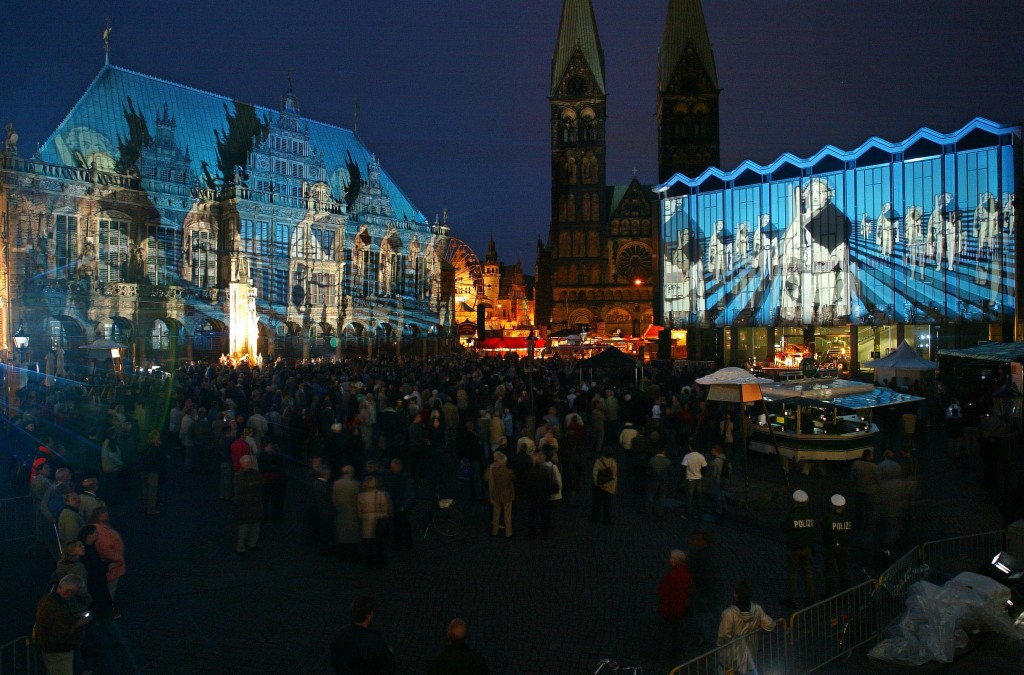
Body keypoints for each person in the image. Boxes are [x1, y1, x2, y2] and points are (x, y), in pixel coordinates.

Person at [35, 574, 91, 675]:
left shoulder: (49, 599)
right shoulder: (55, 608)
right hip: (58, 653)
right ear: (68, 592)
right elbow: (61, 634)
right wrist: (79, 623)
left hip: (52, 651)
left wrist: (76, 616)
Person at [717, 580, 777, 675]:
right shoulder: (757, 609)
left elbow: (723, 637)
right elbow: (771, 624)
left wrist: (720, 651)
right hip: (749, 661)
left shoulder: (729, 613)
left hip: (731, 662)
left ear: (736, 595)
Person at [330, 596, 397, 674]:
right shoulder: (374, 641)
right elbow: (389, 668)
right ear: (369, 616)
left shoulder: (340, 637)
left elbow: (335, 662)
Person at [651, 549, 692, 661]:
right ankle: (676, 653)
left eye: (671, 558)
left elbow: (664, 592)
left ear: (676, 560)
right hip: (680, 608)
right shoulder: (686, 573)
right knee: (677, 633)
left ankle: (654, 654)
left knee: (661, 632)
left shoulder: (672, 575)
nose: (670, 559)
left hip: (668, 609)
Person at [783, 490, 816, 608]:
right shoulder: (810, 516)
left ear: (795, 502)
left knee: (793, 574)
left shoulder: (792, 516)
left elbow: (785, 527)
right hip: (807, 548)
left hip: (794, 549)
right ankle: (811, 597)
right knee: (808, 573)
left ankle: (792, 599)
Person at [821, 494, 853, 596]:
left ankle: (830, 594)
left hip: (831, 547)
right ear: (843, 506)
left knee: (829, 572)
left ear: (833, 505)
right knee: (843, 570)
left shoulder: (828, 518)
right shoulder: (848, 517)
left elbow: (824, 531)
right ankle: (844, 592)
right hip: (844, 547)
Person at [233, 454, 265, 557]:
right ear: (243, 464)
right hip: (246, 504)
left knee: (255, 525)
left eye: (250, 463)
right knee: (244, 527)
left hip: (253, 503)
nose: (249, 465)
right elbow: (244, 488)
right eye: (247, 463)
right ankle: (241, 547)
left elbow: (260, 482)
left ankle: (252, 543)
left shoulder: (246, 474)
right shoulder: (239, 475)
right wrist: (254, 484)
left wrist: (251, 484)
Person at [357, 476, 392, 568]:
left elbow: (359, 513)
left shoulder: (361, 496)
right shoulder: (382, 494)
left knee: (368, 545)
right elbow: (385, 511)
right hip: (379, 521)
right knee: (380, 544)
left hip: (367, 522)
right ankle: (381, 562)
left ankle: (369, 563)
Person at [332, 465, 362, 562]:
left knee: (342, 535)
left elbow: (334, 500)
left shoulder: (336, 484)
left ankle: (343, 556)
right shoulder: (356, 484)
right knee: (354, 535)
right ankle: (354, 556)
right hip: (353, 513)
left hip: (341, 512)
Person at [383, 459, 414, 551]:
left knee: (398, 527)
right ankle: (407, 543)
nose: (391, 469)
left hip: (399, 506)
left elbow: (408, 494)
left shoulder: (395, 478)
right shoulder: (404, 477)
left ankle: (399, 545)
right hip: (400, 506)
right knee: (403, 526)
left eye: (393, 467)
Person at [484, 450, 515, 538]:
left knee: (496, 514)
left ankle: (495, 531)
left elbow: (486, 478)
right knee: (507, 514)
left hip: (495, 493)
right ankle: (508, 533)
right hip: (506, 495)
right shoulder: (508, 471)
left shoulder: (491, 468)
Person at [591, 448, 618, 525]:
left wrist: (596, 483)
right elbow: (614, 475)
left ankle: (595, 518)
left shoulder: (598, 461)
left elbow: (595, 473)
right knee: (607, 504)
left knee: (597, 502)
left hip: (599, 485)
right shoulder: (613, 462)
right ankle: (606, 519)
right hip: (609, 487)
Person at [681, 445, 707, 520]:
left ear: (690, 448)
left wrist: (683, 476)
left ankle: (688, 514)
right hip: (698, 478)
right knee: (699, 496)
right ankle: (700, 514)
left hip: (689, 478)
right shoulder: (701, 456)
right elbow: (705, 467)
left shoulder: (687, 456)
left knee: (689, 497)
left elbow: (683, 467)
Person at [708, 445, 728, 516]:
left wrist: (712, 479)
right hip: (724, 478)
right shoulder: (724, 457)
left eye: (712, 450)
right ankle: (725, 508)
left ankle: (719, 509)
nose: (711, 452)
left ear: (716, 451)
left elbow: (715, 472)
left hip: (718, 479)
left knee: (718, 495)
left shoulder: (716, 461)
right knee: (722, 493)